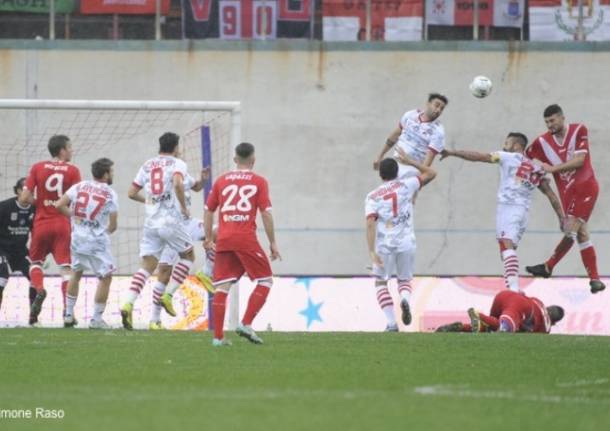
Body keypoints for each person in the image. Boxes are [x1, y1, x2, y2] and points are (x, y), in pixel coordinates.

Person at [441, 132, 564, 292]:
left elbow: (479, 156)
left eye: (507, 143)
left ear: (516, 146)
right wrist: (561, 218)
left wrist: (452, 152)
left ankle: (513, 289)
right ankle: (512, 286)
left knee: (506, 248)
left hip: (509, 208)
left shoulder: (507, 157)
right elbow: (551, 195)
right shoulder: (534, 167)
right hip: (523, 214)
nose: (504, 146)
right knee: (506, 252)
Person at [204, 142, 281, 346]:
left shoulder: (221, 180)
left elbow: (208, 210)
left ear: (235, 159)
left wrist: (208, 238)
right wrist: (273, 242)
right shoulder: (259, 182)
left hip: (224, 238)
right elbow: (265, 213)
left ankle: (218, 338)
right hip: (245, 238)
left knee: (222, 286)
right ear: (253, 160)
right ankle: (246, 323)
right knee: (265, 280)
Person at [525, 105, 604, 294]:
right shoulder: (542, 141)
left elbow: (580, 161)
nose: (549, 125)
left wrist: (551, 169)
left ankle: (548, 265)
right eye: (546, 122)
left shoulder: (578, 130)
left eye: (552, 120)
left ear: (562, 118)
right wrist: (534, 174)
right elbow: (525, 157)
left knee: (571, 229)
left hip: (585, 187)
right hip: (567, 194)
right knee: (581, 233)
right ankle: (595, 280)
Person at [120, 132, 195, 330]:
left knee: (147, 266)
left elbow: (131, 193)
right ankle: (168, 295)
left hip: (151, 223)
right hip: (170, 221)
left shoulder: (147, 164)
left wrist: (149, 201)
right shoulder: (178, 163)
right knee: (188, 256)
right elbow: (177, 183)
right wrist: (183, 207)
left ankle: (128, 303)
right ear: (176, 147)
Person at [365, 151, 436, 332]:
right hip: (406, 242)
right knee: (404, 280)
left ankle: (391, 323)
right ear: (397, 172)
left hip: (385, 245)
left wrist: (371, 251)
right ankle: (404, 299)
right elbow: (432, 173)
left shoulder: (372, 196)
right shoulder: (408, 184)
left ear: (381, 175)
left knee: (381, 282)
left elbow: (370, 223)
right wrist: (409, 161)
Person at [20, 135, 81, 325]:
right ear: (61, 150)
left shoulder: (37, 167)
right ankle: (68, 313)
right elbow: (77, 200)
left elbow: (24, 198)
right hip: (62, 224)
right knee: (66, 269)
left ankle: (39, 289)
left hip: (41, 224)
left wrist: (41, 203)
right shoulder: (73, 170)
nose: (72, 151)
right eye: (69, 147)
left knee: (35, 263)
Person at [55, 158, 118, 329]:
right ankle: (96, 319)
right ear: (105, 174)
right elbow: (113, 226)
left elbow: (59, 205)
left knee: (76, 274)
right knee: (106, 277)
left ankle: (68, 315)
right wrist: (103, 232)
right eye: (111, 171)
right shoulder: (110, 193)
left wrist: (75, 218)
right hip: (96, 241)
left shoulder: (79, 186)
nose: (112, 174)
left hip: (78, 238)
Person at [148, 168, 213, 330]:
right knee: (164, 273)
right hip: (170, 226)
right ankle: (154, 320)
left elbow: (196, 187)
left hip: (188, 223)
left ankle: (206, 272)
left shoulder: (182, 173)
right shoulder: (161, 179)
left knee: (217, 232)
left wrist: (202, 180)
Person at [373, 93, 448, 180]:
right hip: (395, 164)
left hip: (411, 171)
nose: (438, 110)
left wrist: (417, 180)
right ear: (428, 103)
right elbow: (395, 135)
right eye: (436, 105)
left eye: (441, 109)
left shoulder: (438, 132)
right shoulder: (411, 115)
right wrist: (380, 156)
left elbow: (427, 163)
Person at [436, 290, 564, 334]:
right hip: (519, 307)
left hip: (505, 296)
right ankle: (479, 315)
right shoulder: (546, 326)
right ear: (554, 322)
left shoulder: (538, 302)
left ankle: (460, 327)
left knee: (491, 329)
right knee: (505, 330)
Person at [0, 178, 36, 315]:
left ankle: (33, 317)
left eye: (33, 190)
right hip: (2, 249)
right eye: (28, 189)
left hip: (20, 251)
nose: (32, 193)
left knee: (35, 276)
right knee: (2, 277)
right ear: (19, 191)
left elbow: (36, 231)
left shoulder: (35, 209)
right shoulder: (4, 207)